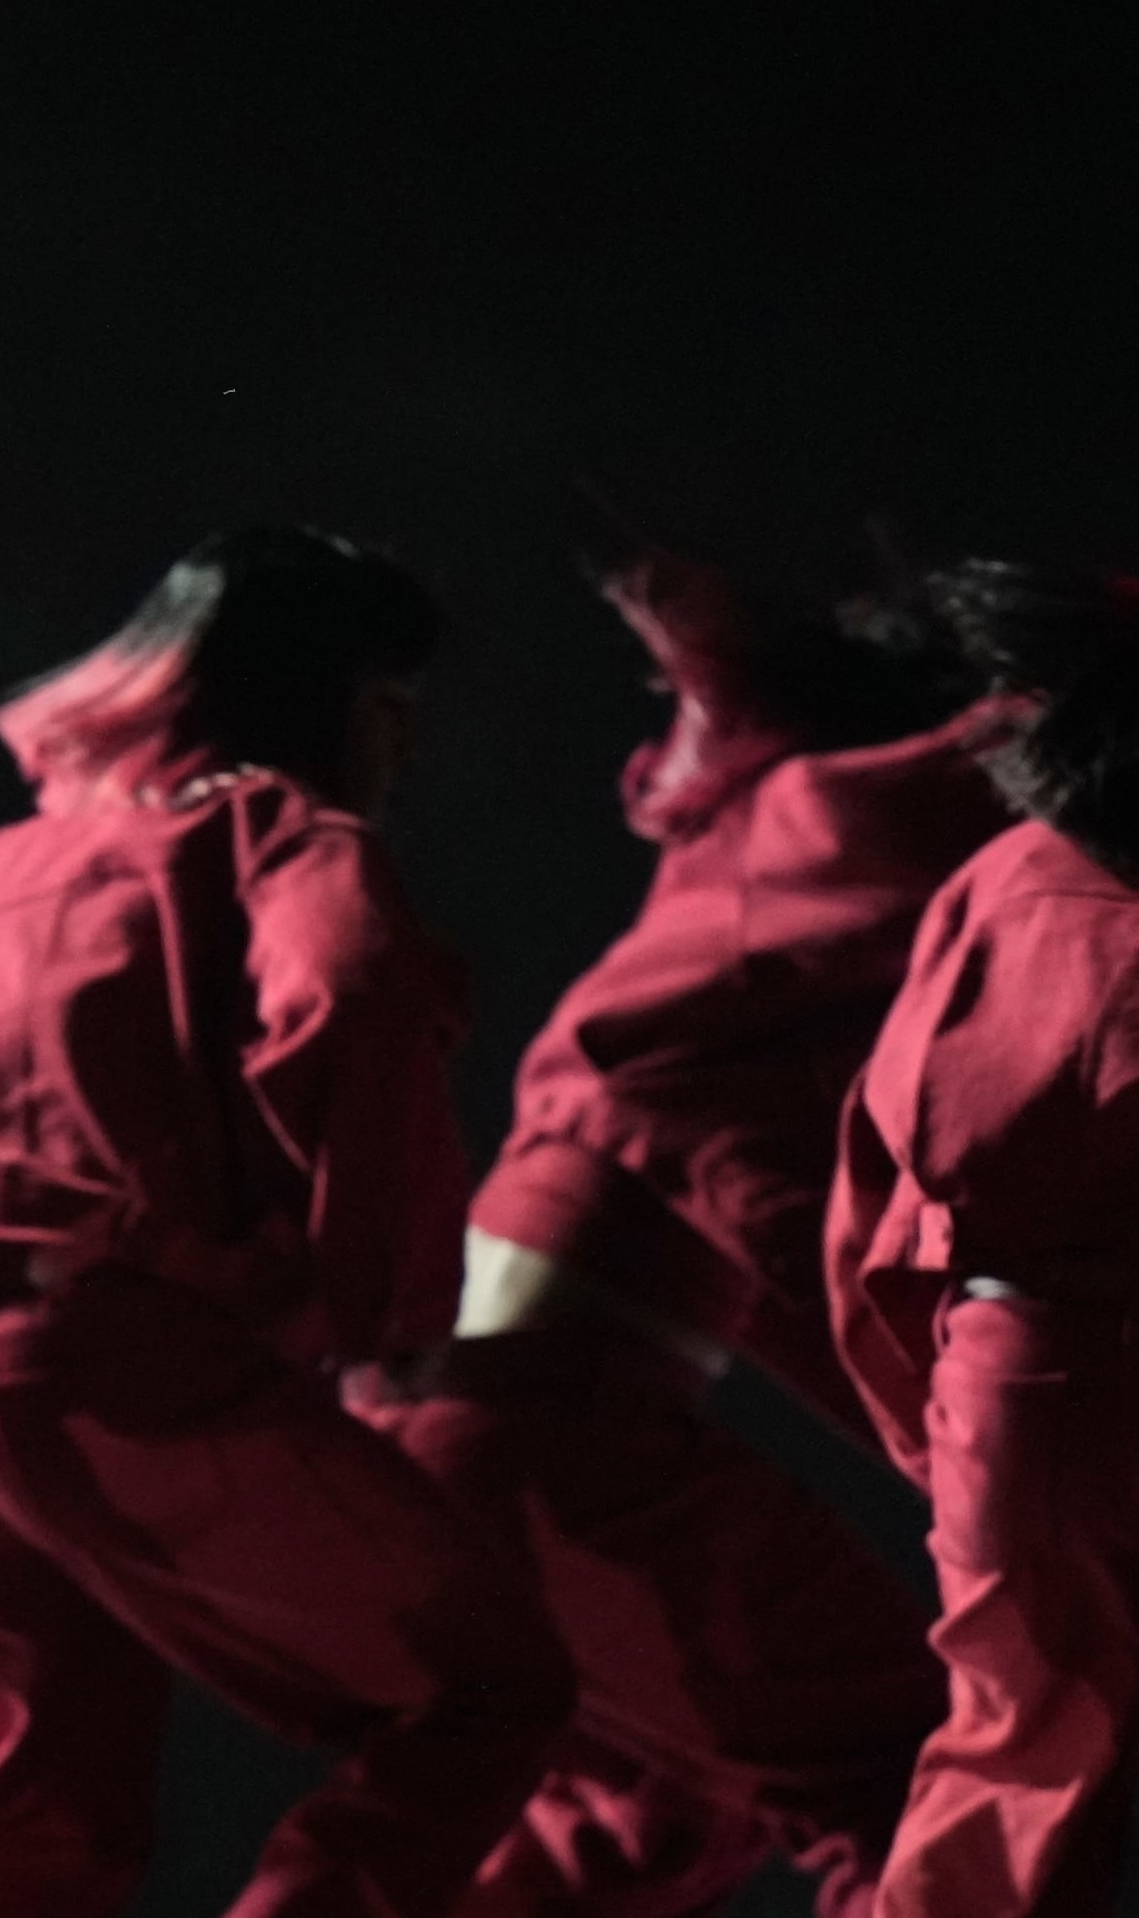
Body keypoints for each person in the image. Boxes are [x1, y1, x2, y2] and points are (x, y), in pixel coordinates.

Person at [0, 527, 570, 1918]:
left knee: (39, 1805)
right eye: (389, 706)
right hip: (101, 1362)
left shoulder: (4, 865)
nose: (404, 749)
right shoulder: (279, 832)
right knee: (488, 1686)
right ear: (333, 703)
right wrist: (387, 1315)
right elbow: (351, 992)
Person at [359, 557, 998, 1915]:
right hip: (541, 1437)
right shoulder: (818, 852)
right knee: (905, 1784)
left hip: (459, 1428)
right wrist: (985, 1464)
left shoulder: (745, 882)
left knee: (648, 1820)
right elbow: (801, 1247)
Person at [826, 562, 1139, 1918]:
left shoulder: (1007, 879)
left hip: (1008, 1379)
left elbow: (873, 1222)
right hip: (1081, 1377)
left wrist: (945, 1435)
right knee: (1026, 1790)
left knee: (1021, 1776)